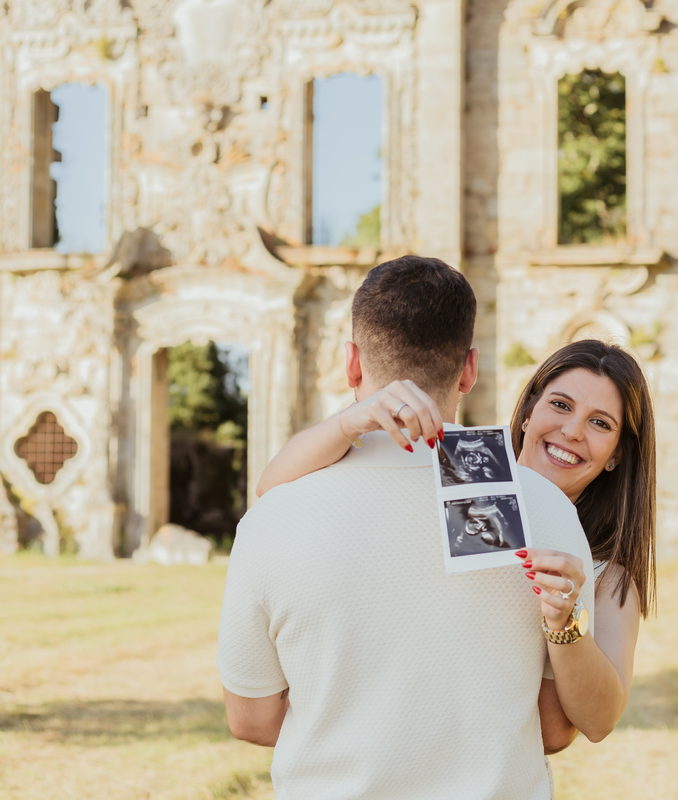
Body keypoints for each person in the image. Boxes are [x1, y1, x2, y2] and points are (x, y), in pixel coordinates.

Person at [218, 256, 595, 798]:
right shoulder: (547, 506)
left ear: (351, 365)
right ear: (469, 369)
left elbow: (250, 720)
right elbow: (556, 727)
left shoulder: (272, 518)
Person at [258, 337, 657, 747]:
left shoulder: (605, 575)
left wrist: (566, 623)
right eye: (560, 405)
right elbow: (270, 488)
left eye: (600, 423)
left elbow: (584, 724)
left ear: (616, 455)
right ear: (528, 413)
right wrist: (347, 421)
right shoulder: (471, 473)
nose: (572, 431)